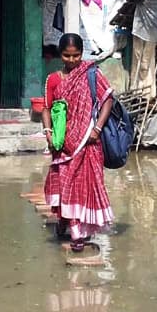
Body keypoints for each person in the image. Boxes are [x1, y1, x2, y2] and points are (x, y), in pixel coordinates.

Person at [42, 34, 114, 253]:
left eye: (76, 55)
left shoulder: (91, 74)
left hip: (87, 142)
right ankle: (68, 221)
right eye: (67, 55)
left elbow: (107, 100)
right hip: (62, 143)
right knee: (64, 185)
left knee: (81, 185)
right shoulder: (53, 79)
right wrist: (48, 132)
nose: (72, 60)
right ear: (60, 55)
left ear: (82, 54)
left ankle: (76, 232)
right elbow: (46, 107)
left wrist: (97, 129)